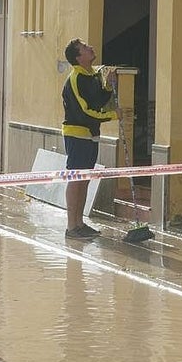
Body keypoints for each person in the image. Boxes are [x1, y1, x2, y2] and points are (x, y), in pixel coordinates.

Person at [60, 38, 116, 240]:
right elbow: (85, 111)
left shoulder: (92, 75)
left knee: (84, 179)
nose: (90, 47)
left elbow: (99, 100)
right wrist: (112, 116)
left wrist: (108, 87)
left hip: (92, 134)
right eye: (84, 47)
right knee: (76, 179)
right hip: (77, 134)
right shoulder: (75, 78)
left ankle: (80, 223)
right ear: (78, 57)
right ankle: (71, 226)